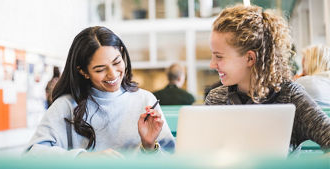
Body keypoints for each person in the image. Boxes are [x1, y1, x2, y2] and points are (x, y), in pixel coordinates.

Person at [26, 26, 175, 158]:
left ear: (122, 54)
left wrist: (149, 146)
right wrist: (84, 159)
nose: (112, 74)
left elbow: (170, 161)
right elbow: (32, 154)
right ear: (83, 71)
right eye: (100, 69)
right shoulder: (66, 105)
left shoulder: (145, 100)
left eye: (117, 62)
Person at [205, 4, 330, 153]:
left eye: (219, 56)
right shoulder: (216, 99)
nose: (212, 64)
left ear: (250, 58)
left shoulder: (291, 97)